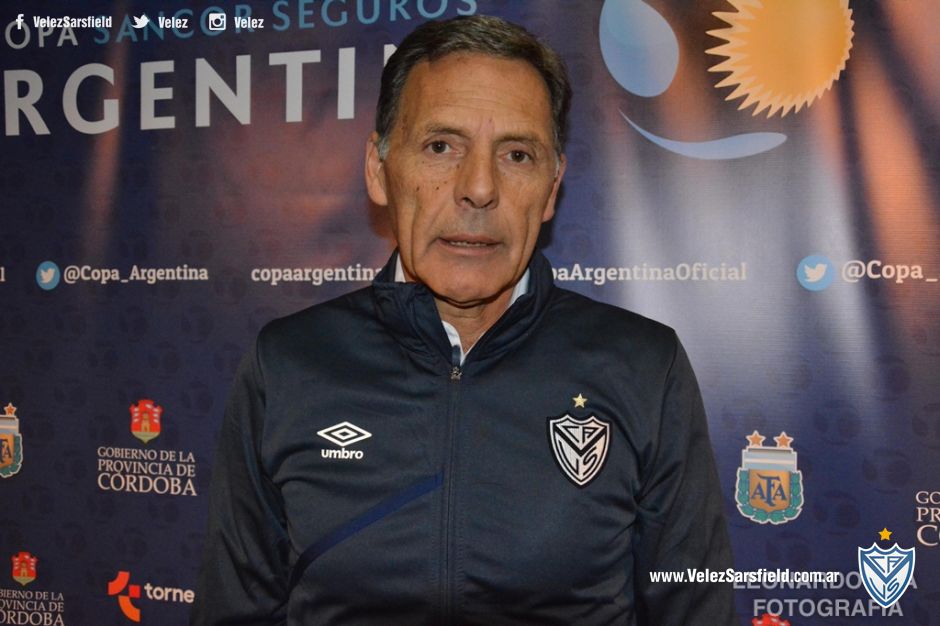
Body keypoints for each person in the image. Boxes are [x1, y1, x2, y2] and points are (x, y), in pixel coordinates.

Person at [192, 14, 736, 626]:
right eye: (441, 147)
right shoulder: (287, 364)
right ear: (379, 169)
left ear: (551, 187)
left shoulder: (644, 366)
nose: (478, 188)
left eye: (517, 154)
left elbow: (696, 609)